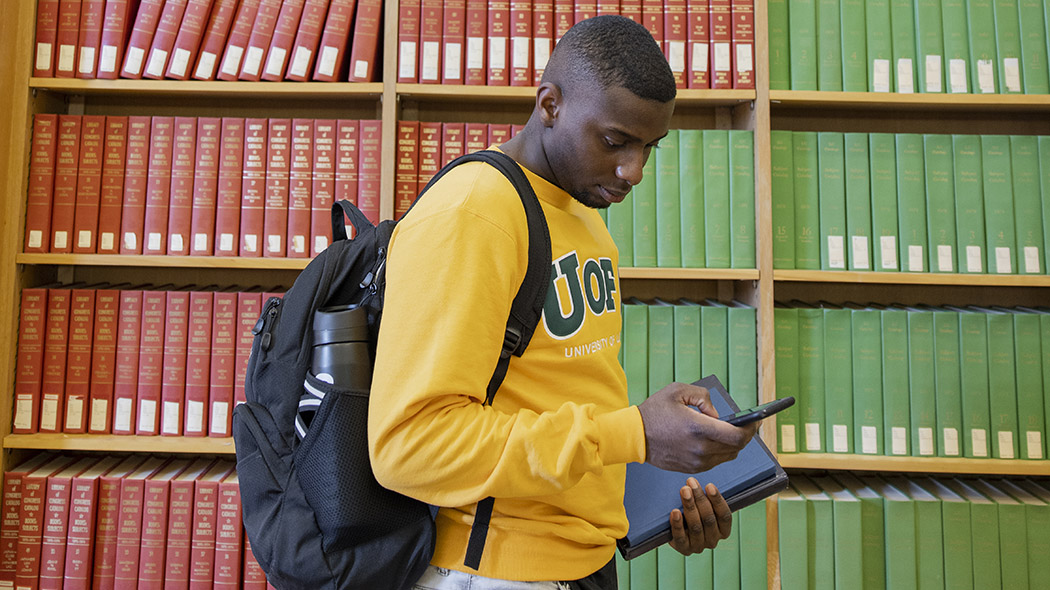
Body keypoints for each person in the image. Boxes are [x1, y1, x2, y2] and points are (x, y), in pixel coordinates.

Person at [368, 14, 759, 590]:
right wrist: (635, 434)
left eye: (650, 147)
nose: (635, 171)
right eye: (615, 141)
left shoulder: (582, 211)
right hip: (495, 571)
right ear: (549, 104)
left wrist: (659, 476)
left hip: (585, 562)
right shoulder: (474, 213)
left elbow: (558, 400)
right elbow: (410, 445)